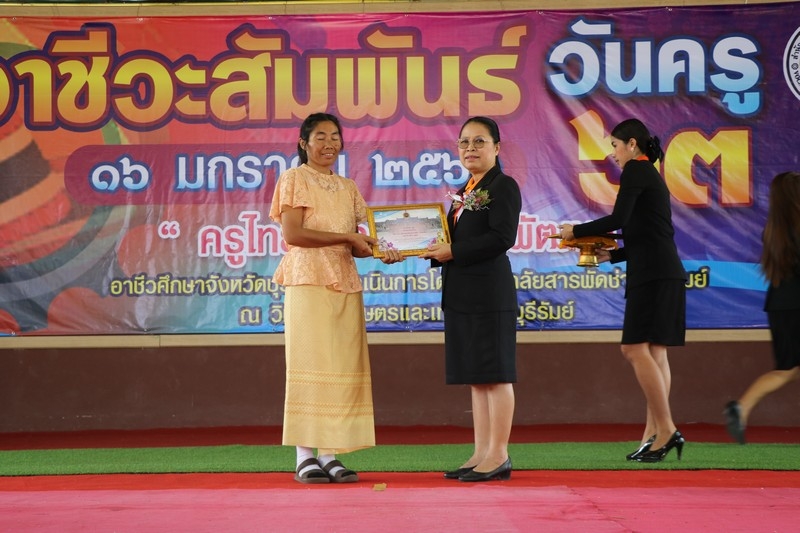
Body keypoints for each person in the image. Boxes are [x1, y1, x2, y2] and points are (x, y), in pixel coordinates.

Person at [268, 112, 402, 484]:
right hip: (308, 278)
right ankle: (303, 456)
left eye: (334, 137)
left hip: (344, 279)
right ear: (304, 143)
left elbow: (359, 243)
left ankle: (329, 454)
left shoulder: (347, 187)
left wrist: (386, 249)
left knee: (340, 364)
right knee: (309, 361)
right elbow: (294, 234)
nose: (329, 144)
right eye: (320, 137)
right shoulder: (294, 178)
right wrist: (347, 238)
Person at [560, 118, 687, 463]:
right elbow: (647, 233)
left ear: (632, 144)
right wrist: (612, 255)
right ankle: (653, 436)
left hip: (654, 275)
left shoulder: (636, 170)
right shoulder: (648, 173)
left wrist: (575, 231)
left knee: (633, 348)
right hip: (662, 271)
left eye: (615, 146)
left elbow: (619, 219)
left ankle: (666, 429)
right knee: (656, 354)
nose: (613, 154)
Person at [420, 116, 522, 482]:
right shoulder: (466, 190)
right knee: (477, 378)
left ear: (497, 147)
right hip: (462, 293)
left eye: (479, 142)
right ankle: (481, 451)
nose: (470, 149)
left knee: (496, 376)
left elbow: (502, 238)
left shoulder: (503, 186)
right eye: (464, 142)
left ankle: (499, 454)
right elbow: (455, 242)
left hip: (489, 294)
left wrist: (453, 251)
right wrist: (429, 249)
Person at [724, 171, 800, 444]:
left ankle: (741, 408)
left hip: (780, 306)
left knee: (788, 369)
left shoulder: (774, 231)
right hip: (795, 306)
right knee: (788, 369)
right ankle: (741, 408)